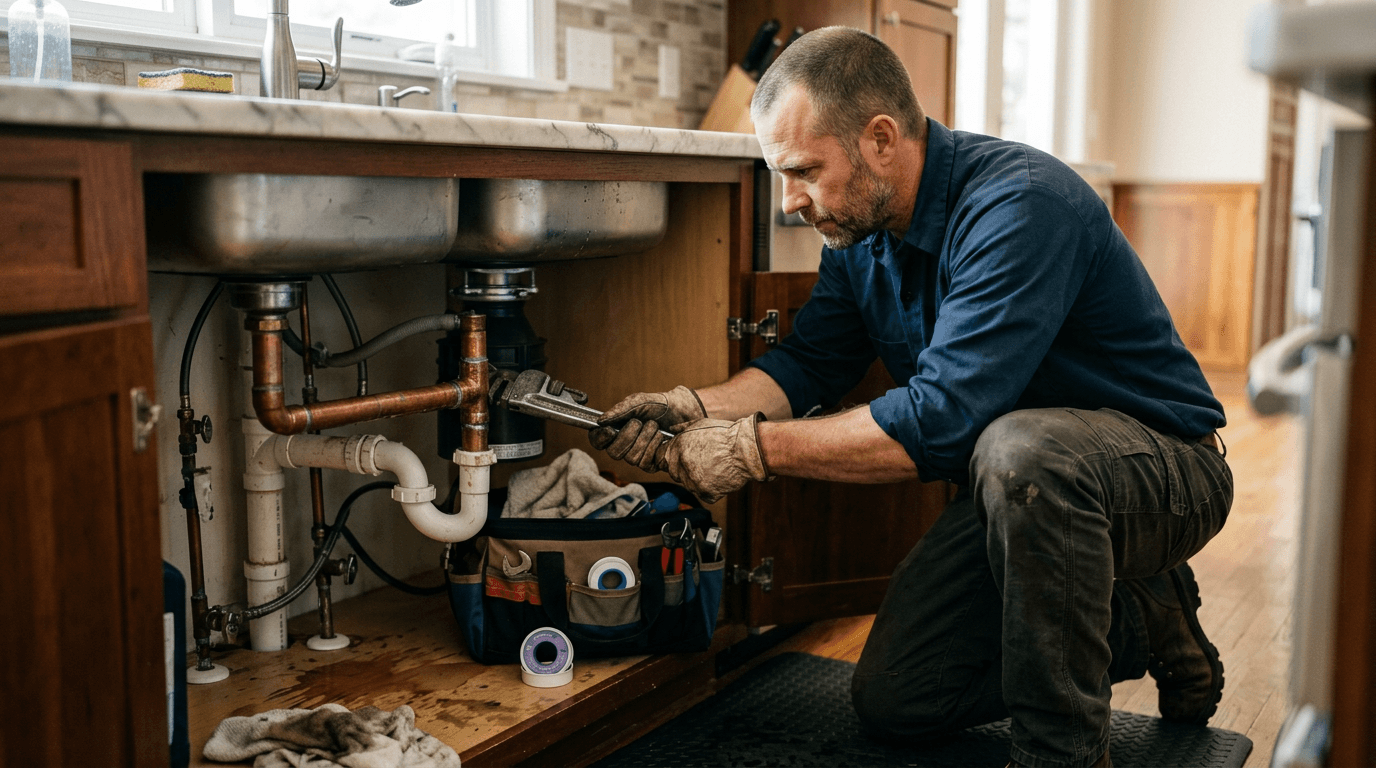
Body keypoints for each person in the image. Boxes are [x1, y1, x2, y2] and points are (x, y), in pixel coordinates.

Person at [588, 26, 1232, 768]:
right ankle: (1145, 618)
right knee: (898, 698)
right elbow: (808, 364)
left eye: (803, 171)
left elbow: (943, 421)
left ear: (882, 138)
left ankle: (1062, 753)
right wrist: (698, 407)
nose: (792, 201)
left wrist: (749, 449)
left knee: (1018, 448)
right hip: (1019, 492)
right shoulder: (859, 231)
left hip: (1162, 475)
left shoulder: (1019, 206)